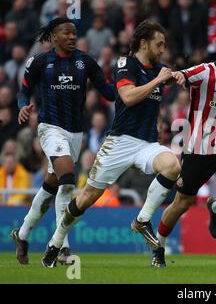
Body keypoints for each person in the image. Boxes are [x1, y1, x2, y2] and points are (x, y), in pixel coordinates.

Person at [40, 20, 181, 268]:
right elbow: (127, 97)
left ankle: (142, 219)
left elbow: (170, 79)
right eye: (159, 45)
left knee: (172, 165)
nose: (162, 50)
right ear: (144, 43)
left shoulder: (160, 69)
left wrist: (179, 76)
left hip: (147, 143)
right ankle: (56, 241)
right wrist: (158, 80)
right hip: (119, 143)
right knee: (86, 198)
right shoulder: (126, 65)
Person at [10, 17, 115, 266]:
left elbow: (109, 92)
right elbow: (23, 91)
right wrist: (23, 106)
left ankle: (22, 234)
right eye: (66, 33)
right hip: (50, 129)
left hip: (76, 133)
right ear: (54, 37)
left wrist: (129, 83)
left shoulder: (85, 61)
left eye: (74, 33)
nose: (72, 37)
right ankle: (62, 247)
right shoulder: (39, 62)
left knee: (52, 184)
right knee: (67, 179)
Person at [154, 30, 216, 267]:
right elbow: (181, 75)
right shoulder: (203, 72)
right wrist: (176, 76)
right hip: (198, 149)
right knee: (181, 203)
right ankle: (157, 246)